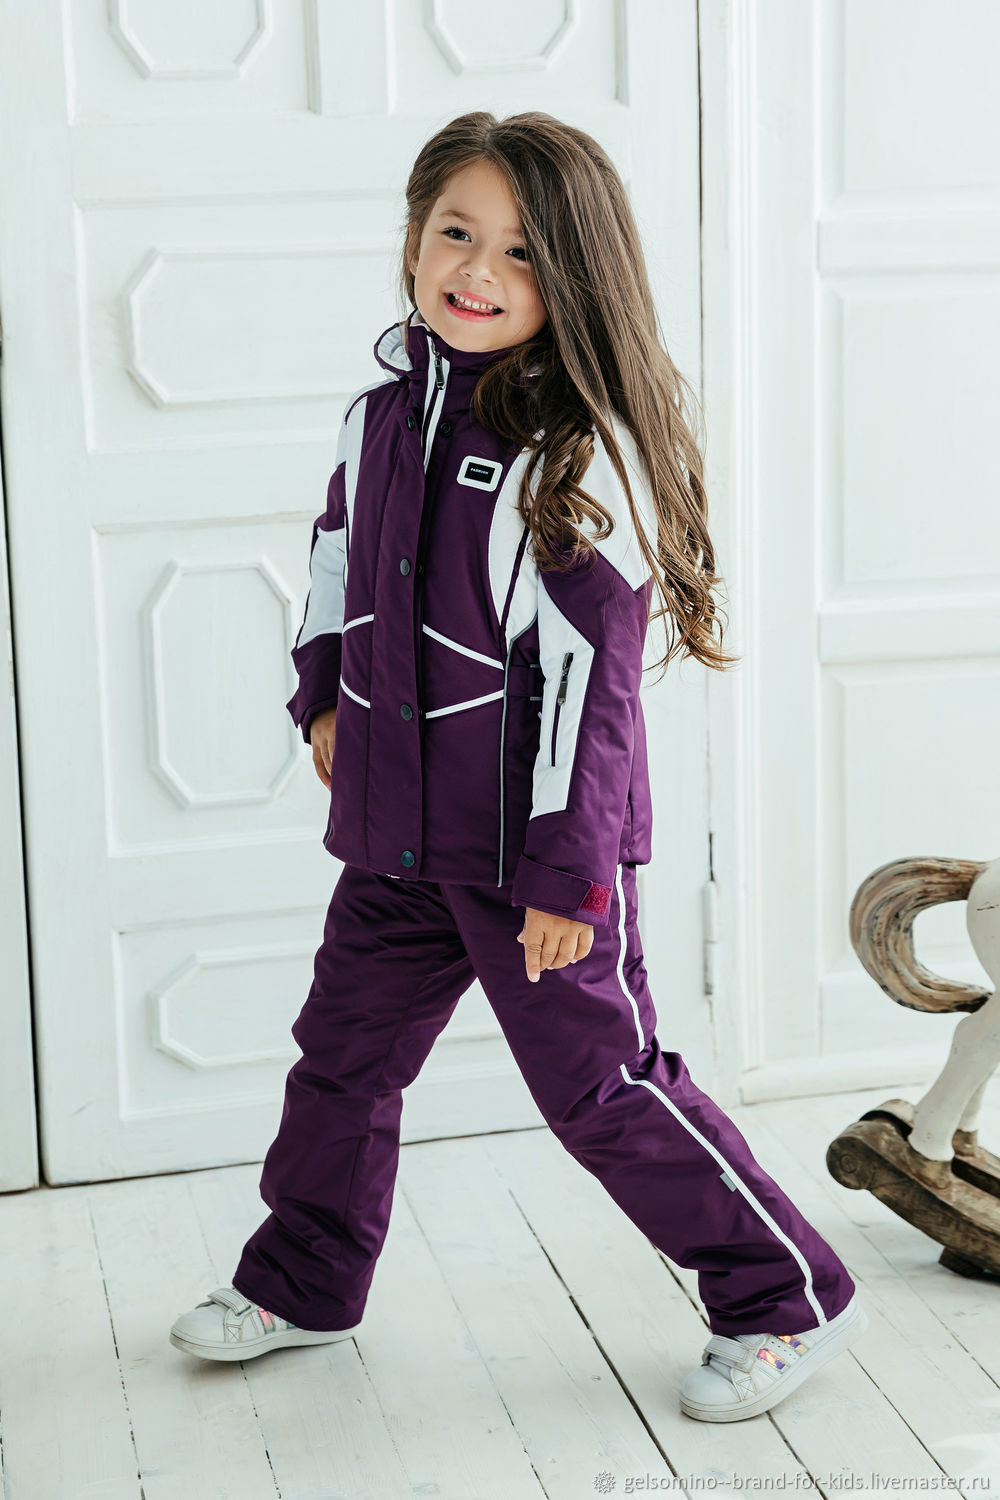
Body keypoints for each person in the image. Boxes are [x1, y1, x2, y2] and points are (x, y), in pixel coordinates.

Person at [170, 110, 867, 1422]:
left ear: (574, 276)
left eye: (523, 252)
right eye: (456, 233)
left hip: (534, 857)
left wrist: (569, 877)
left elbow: (592, 693)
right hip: (396, 833)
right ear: (414, 239)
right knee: (342, 1062)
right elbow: (335, 561)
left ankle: (788, 1296)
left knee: (602, 1091)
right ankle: (305, 1283)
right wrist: (321, 696)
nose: (477, 271)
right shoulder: (381, 417)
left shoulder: (575, 454)